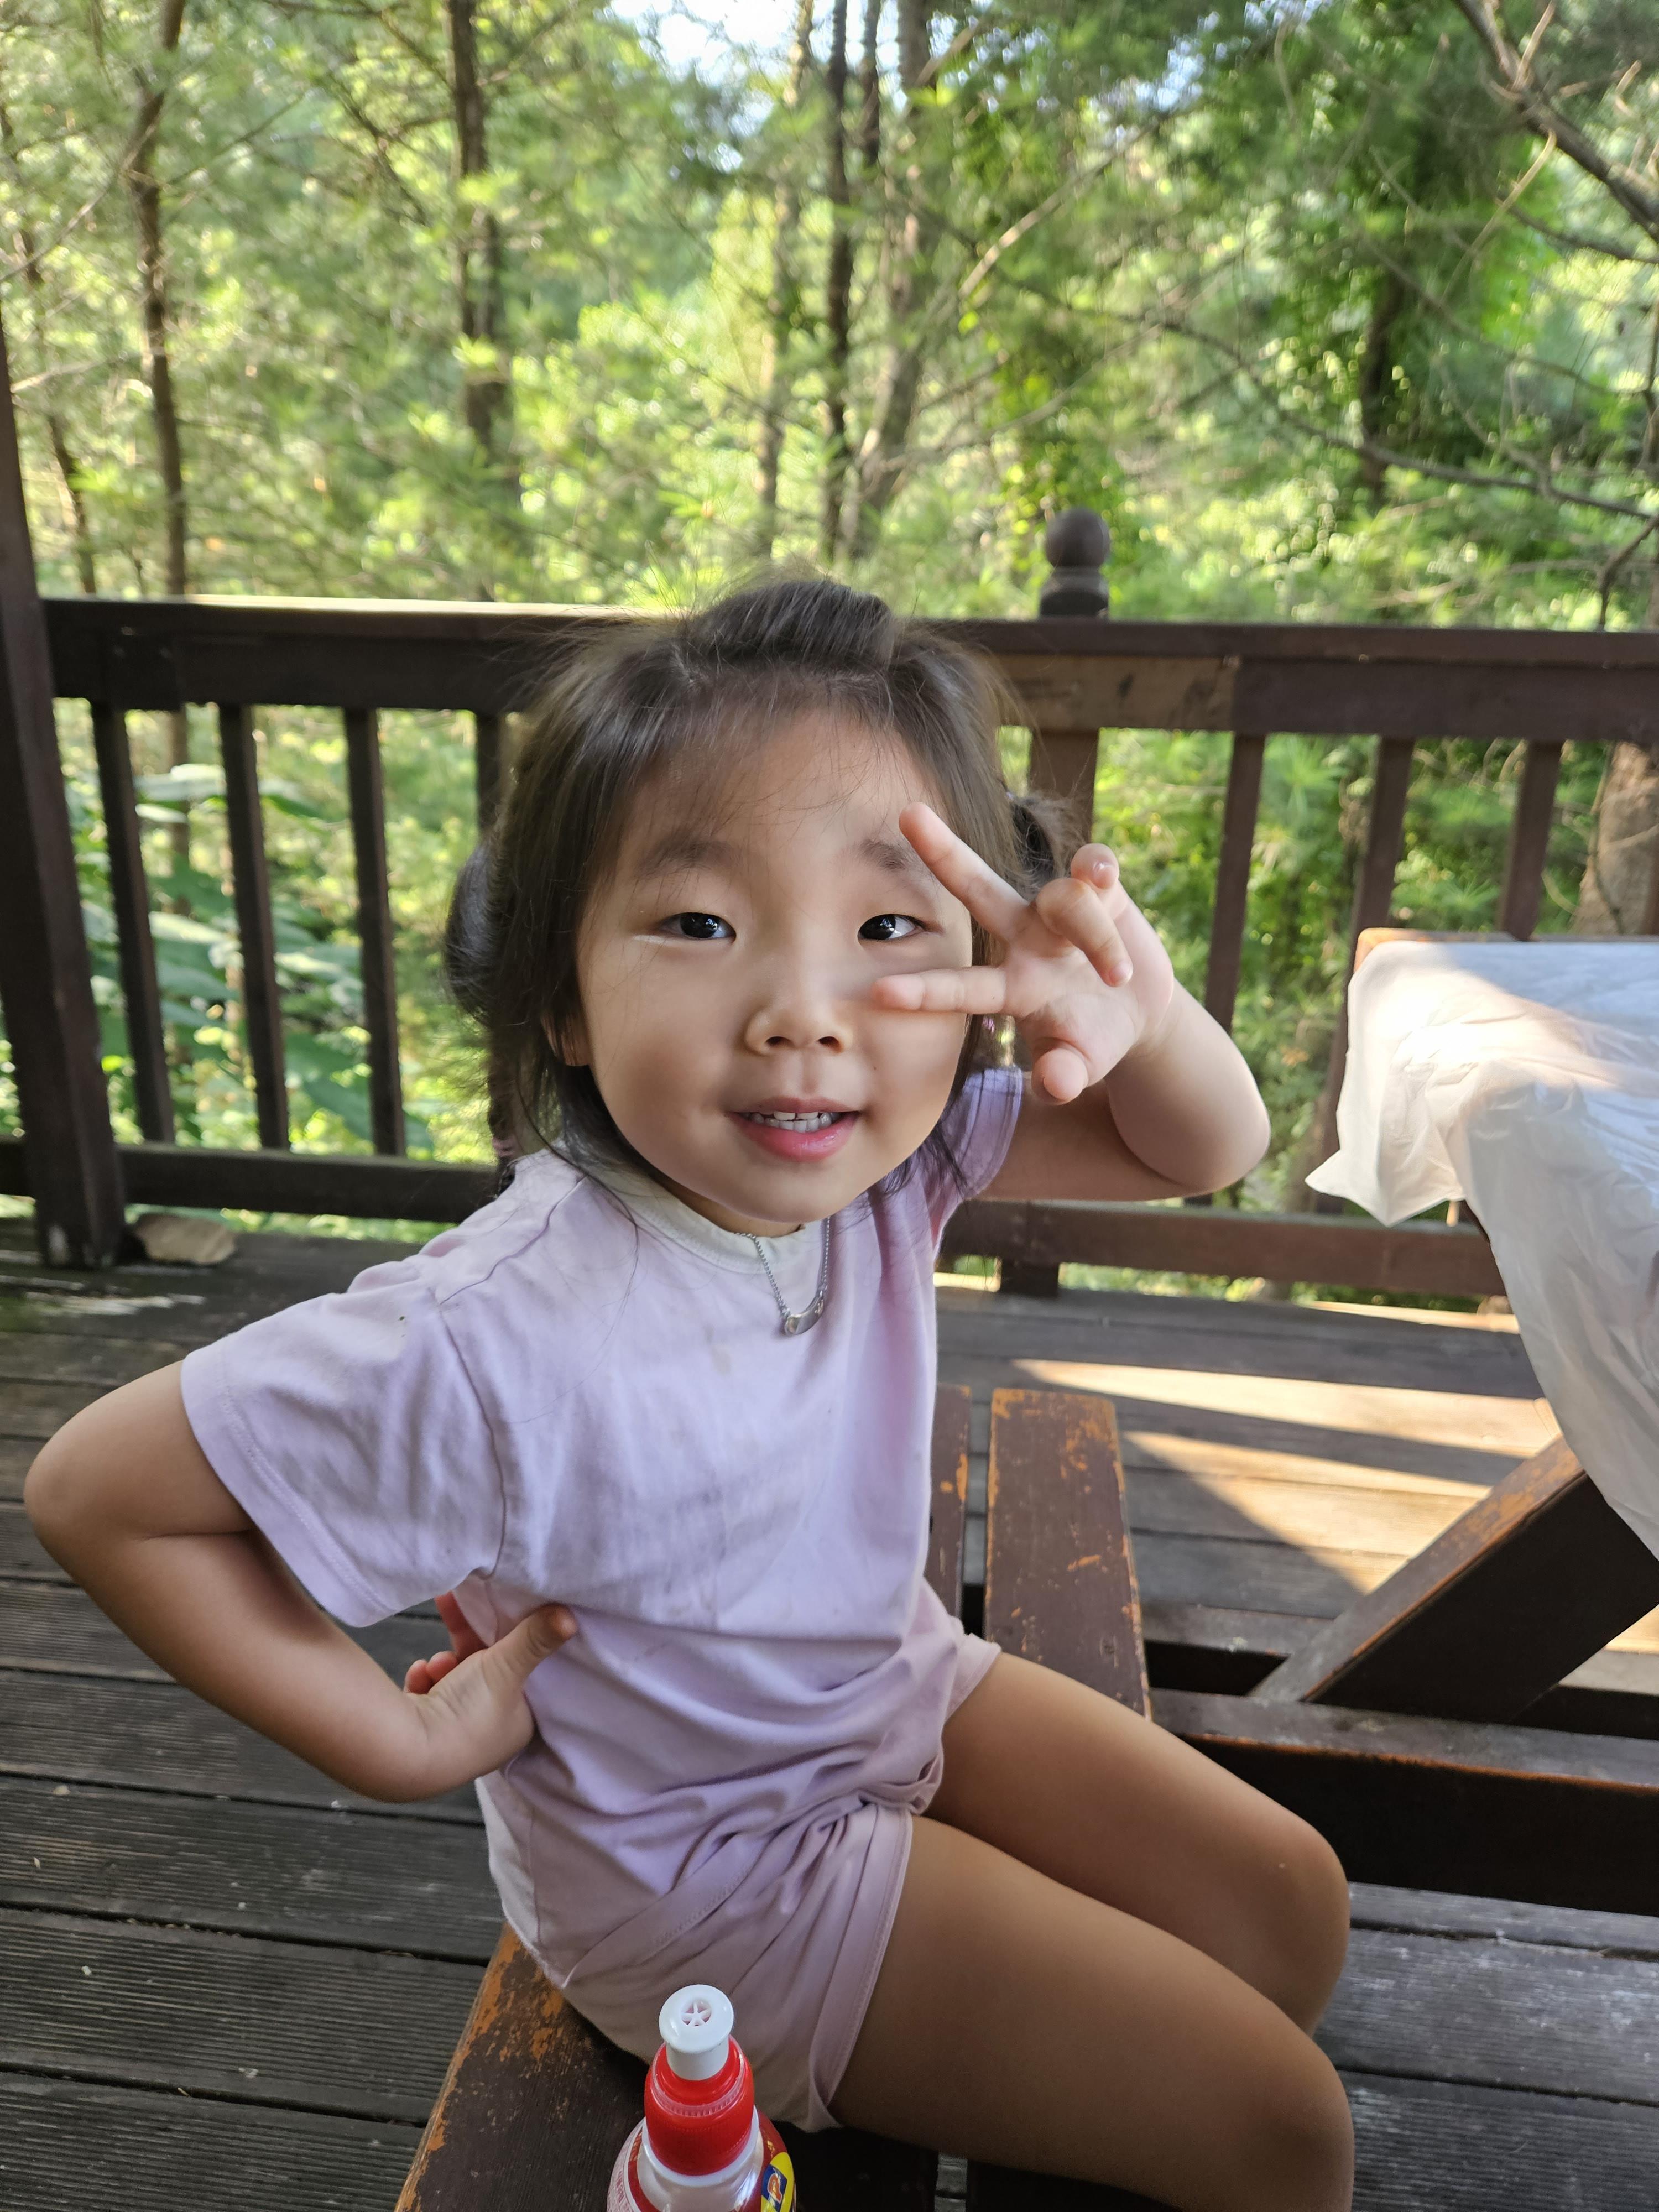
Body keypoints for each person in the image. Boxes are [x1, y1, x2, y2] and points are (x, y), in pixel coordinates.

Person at [26, 580, 1354, 2210]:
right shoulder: (498, 1334)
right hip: (708, 1874)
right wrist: (395, 1738)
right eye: (703, 924)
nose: (804, 1013)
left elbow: (1199, 1146)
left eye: (888, 929)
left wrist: (1134, 1005)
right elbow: (101, 1494)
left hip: (883, 1687)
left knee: (1288, 1913)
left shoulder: (893, 1165)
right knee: (1284, 2128)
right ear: (564, 998)